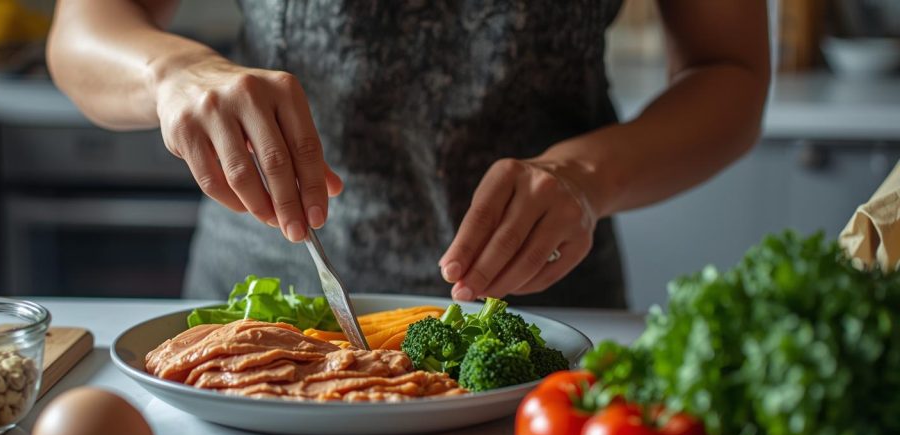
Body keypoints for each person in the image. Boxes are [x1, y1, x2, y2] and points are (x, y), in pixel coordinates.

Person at [47, 1, 769, 308]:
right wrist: (171, 73)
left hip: (545, 316)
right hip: (263, 305)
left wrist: (583, 177)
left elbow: (728, 73)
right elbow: (84, 26)